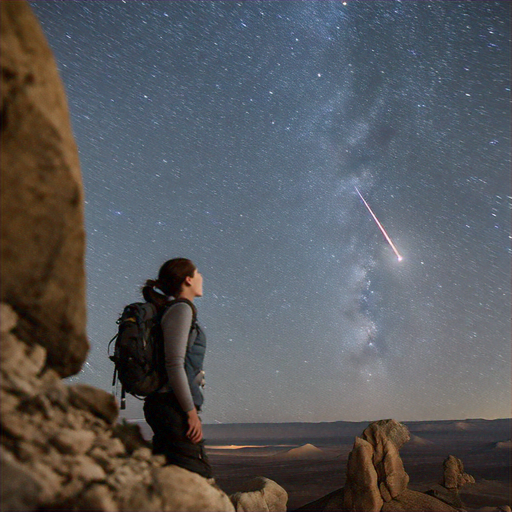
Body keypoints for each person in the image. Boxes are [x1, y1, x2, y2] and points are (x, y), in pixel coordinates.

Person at [141, 258, 212, 479]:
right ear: (188, 279)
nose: (201, 277)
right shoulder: (181, 309)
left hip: (169, 406)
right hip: (172, 408)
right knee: (197, 477)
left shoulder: (178, 310)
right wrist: (190, 413)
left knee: (172, 476)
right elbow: (174, 364)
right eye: (198, 272)